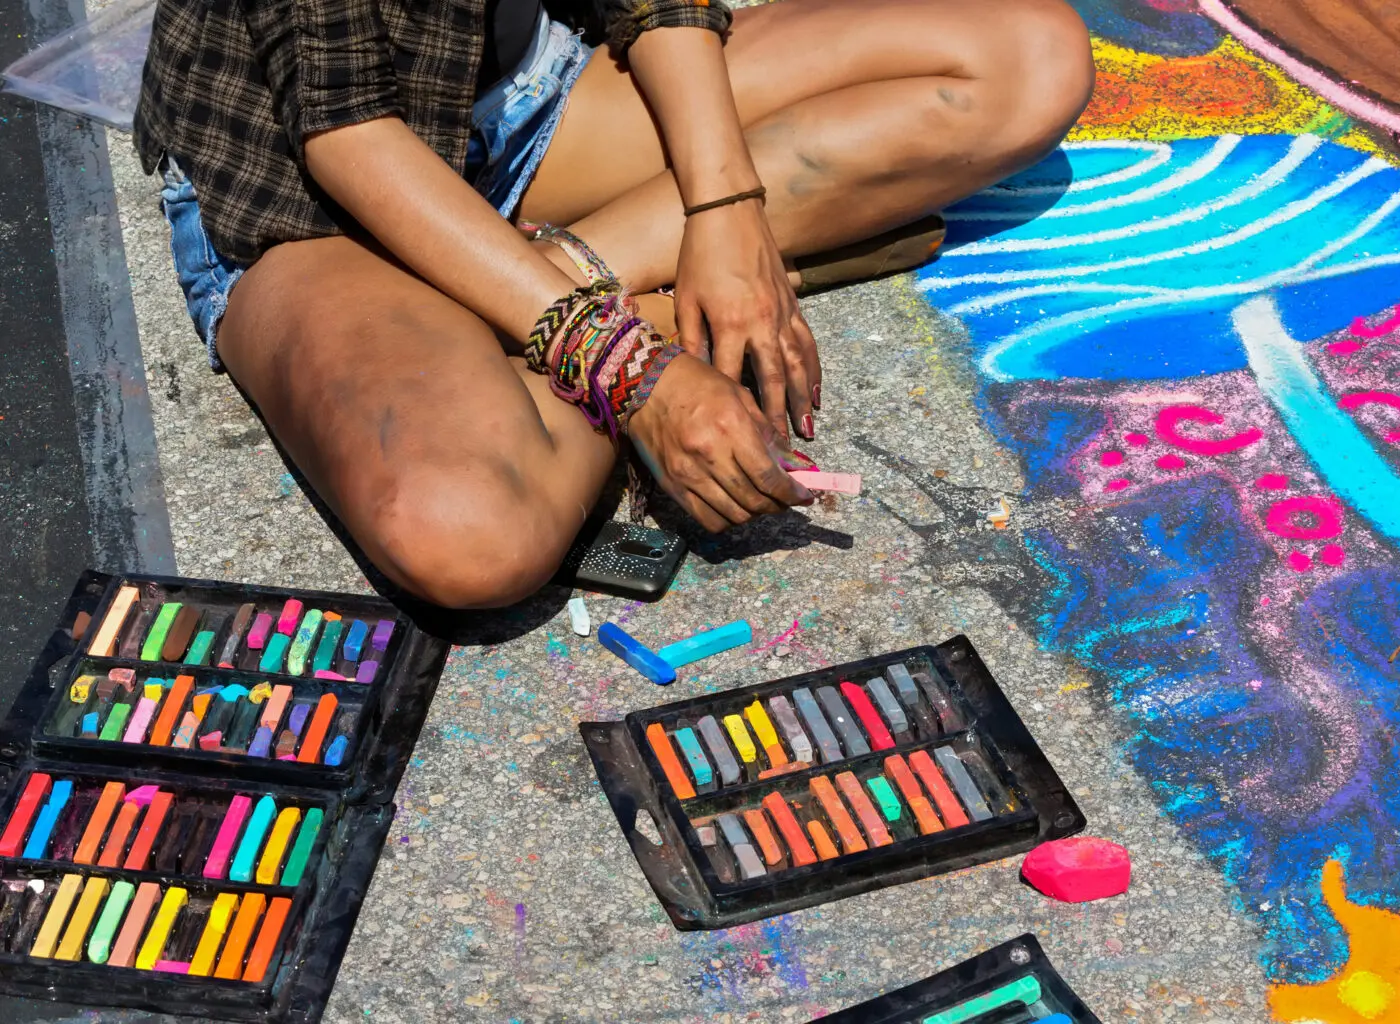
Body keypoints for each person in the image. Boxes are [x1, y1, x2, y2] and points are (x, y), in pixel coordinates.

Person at [135, 0, 1093, 609]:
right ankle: (631, 301)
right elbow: (345, 132)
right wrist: (633, 369)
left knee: (1024, 57)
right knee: (468, 540)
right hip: (321, 204)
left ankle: (552, 280)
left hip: (522, 106)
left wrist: (727, 210)